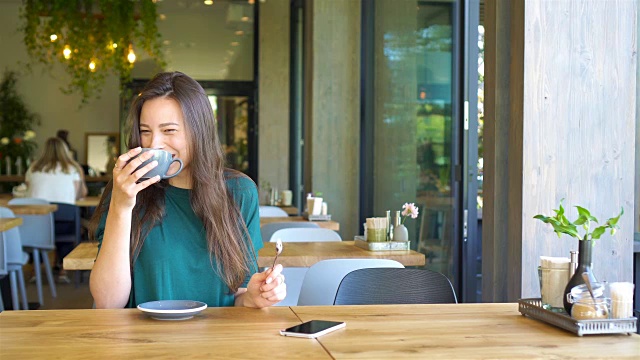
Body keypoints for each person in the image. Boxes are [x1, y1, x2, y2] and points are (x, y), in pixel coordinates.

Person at [89, 71, 286, 309]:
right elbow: (107, 303)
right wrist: (121, 207)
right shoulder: (125, 190)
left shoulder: (239, 192)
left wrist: (254, 298)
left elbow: (239, 296)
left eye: (169, 130)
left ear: (199, 132)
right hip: (143, 341)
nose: (154, 145)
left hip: (216, 340)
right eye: (145, 131)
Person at [25, 137, 89, 282]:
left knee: (37, 228)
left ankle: (36, 270)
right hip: (63, 222)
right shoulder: (72, 169)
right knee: (68, 223)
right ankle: (62, 271)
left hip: (37, 225)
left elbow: (28, 189)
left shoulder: (33, 168)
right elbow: (81, 194)